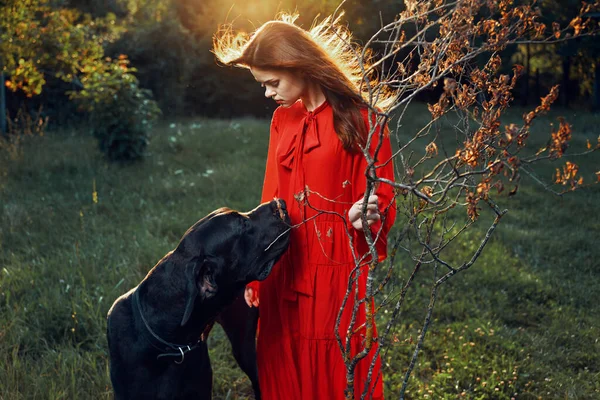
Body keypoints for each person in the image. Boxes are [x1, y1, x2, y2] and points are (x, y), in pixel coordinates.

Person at [213, 13, 397, 400]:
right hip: (283, 265)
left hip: (333, 268)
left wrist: (365, 212)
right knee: (281, 361)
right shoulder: (283, 119)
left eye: (272, 83)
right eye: (263, 85)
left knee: (334, 361)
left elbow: (380, 196)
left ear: (296, 65)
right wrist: (256, 269)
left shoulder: (364, 119)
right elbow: (271, 196)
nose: (267, 93)